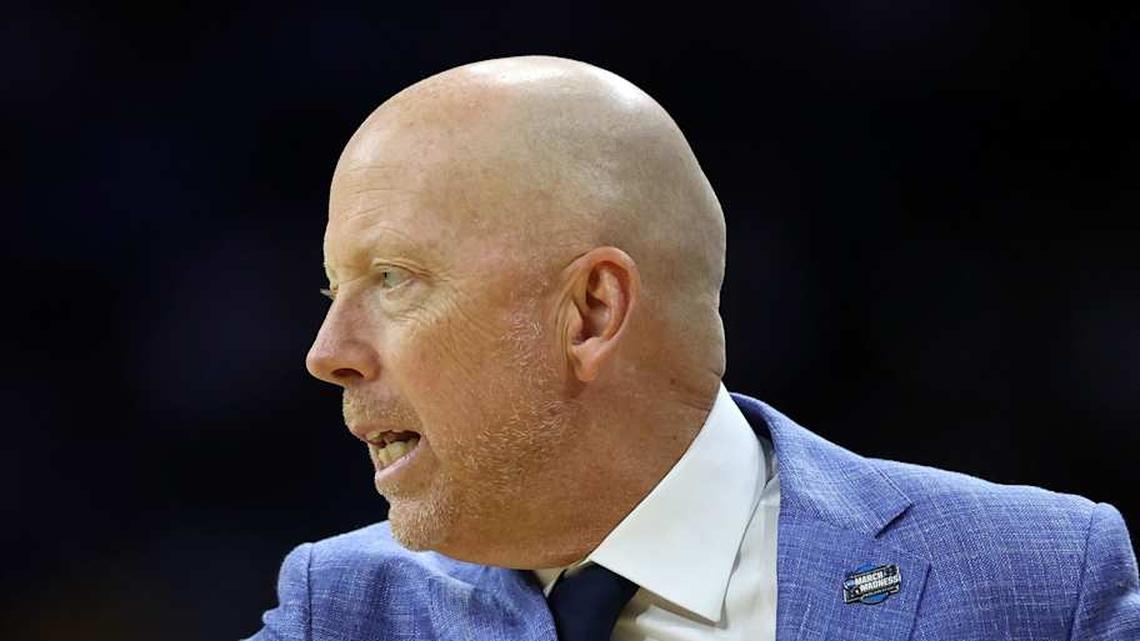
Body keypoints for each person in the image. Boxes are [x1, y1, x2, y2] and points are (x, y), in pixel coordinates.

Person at [244, 56, 1138, 641]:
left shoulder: (1040, 578)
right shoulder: (345, 609)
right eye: (334, 290)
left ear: (592, 312)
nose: (330, 351)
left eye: (394, 279)